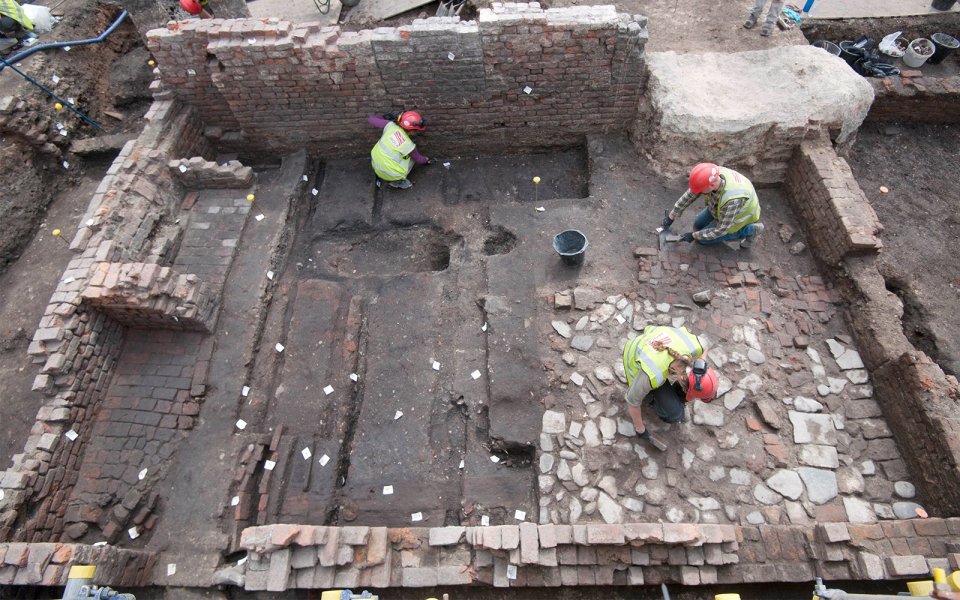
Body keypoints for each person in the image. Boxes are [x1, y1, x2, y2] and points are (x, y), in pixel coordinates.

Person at [622, 325, 719, 450]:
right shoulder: (652, 375)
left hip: (655, 337)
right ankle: (652, 398)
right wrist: (640, 429)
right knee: (674, 414)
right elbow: (632, 401)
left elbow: (705, 346)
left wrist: (702, 361)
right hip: (635, 357)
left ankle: (672, 396)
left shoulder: (694, 348)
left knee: (676, 405)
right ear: (683, 379)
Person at [662, 162, 764, 249]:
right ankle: (715, 220)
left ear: (712, 185)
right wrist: (672, 214)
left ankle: (752, 229)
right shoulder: (712, 174)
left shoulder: (732, 200)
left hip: (737, 217)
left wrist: (693, 236)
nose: (699, 192)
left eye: (701, 190)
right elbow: (691, 194)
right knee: (698, 224)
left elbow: (721, 230)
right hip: (719, 208)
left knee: (703, 240)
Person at [368, 111, 430, 189]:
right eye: (416, 130)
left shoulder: (390, 125)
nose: (417, 132)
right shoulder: (409, 145)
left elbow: (371, 119)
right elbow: (419, 159)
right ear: (412, 130)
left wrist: (384, 117)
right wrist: (427, 160)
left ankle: (386, 173)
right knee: (411, 158)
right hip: (390, 174)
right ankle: (398, 181)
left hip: (375, 163)